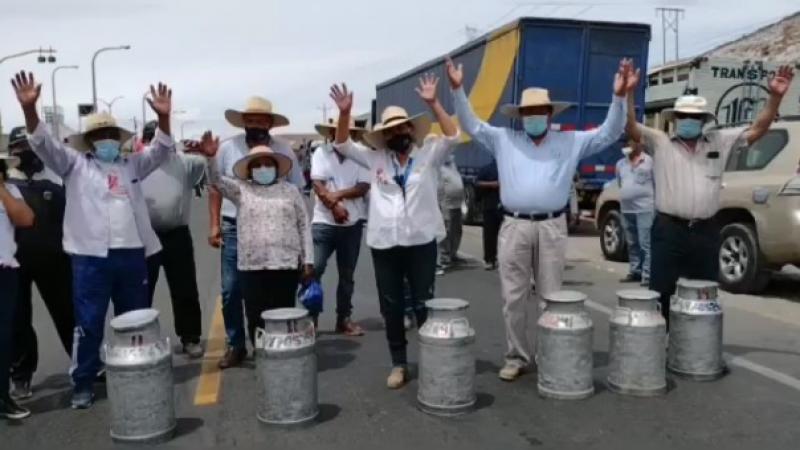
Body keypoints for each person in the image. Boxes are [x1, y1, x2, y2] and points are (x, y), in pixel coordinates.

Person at [449, 57, 632, 381]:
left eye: (539, 112)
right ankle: (516, 356)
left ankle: (550, 354)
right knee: (513, 297)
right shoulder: (504, 139)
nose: (534, 117)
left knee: (551, 296)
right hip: (514, 225)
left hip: (551, 226)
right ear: (521, 116)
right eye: (528, 112)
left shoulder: (569, 141)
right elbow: (472, 124)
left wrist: (619, 97)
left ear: (549, 114)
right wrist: (457, 89)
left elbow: (610, 133)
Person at [12, 71, 175, 408]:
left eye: (111, 135)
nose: (106, 141)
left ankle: (137, 373)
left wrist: (163, 117)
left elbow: (161, 150)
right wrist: (29, 109)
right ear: (89, 141)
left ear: (119, 139)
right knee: (88, 323)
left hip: (132, 255)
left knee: (136, 320)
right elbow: (43, 142)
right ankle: (83, 381)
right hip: (90, 258)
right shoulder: (73, 164)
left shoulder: (132, 165)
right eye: (100, 135)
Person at [625, 65, 795, 324]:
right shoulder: (660, 142)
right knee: (661, 291)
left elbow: (757, 130)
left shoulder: (719, 141)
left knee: (704, 293)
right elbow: (630, 127)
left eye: (694, 116)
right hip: (669, 230)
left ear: (703, 120)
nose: (688, 120)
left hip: (705, 231)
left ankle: (699, 345)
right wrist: (628, 94)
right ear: (675, 118)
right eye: (684, 115)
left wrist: (775, 97)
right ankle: (663, 338)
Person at [329, 72, 460, 389]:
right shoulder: (374, 158)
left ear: (411, 130)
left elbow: (453, 135)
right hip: (385, 243)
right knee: (392, 307)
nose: (397, 133)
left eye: (402, 128)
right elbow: (343, 144)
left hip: (421, 241)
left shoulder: (428, 154)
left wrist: (434, 103)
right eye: (390, 130)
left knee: (424, 303)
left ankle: (431, 360)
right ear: (384, 136)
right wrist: (345, 113)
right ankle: (399, 363)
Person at [207, 96, 305, 369]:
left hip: (276, 233)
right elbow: (215, 187)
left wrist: (299, 245)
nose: (256, 125)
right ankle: (236, 345)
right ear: (243, 123)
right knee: (231, 291)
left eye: (261, 121)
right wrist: (214, 224)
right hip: (234, 226)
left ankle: (275, 344)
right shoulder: (227, 149)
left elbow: (296, 191)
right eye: (250, 120)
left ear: (270, 124)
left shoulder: (284, 151)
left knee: (273, 291)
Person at [194, 134, 313, 347]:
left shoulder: (291, 191)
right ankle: (261, 354)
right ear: (249, 170)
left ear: (276, 167)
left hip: (285, 265)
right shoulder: (241, 190)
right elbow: (216, 181)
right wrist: (211, 158)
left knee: (282, 315)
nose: (263, 168)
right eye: (257, 165)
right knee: (256, 316)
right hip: (251, 266)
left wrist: (308, 260)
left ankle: (281, 355)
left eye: (268, 164)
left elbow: (304, 225)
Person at [5, 126, 74, 401]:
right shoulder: (6, 182)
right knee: (18, 320)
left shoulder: (56, 175)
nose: (25, 152)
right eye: (19, 148)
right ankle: (21, 376)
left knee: (68, 314)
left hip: (55, 258)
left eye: (29, 146)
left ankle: (85, 363)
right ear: (11, 152)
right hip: (15, 262)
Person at [141, 121, 206, 358]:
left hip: (177, 234)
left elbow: (209, 163)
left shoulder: (184, 162)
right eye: (153, 138)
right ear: (145, 141)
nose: (158, 145)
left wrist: (205, 151)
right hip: (145, 236)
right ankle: (141, 340)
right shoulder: (137, 163)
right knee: (141, 291)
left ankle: (190, 337)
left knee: (184, 288)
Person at [310, 118, 370, 335]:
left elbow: (363, 187)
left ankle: (343, 319)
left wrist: (336, 195)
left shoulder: (362, 154)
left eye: (348, 133)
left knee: (347, 275)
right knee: (314, 269)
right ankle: (311, 319)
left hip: (352, 223)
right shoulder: (321, 152)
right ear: (331, 133)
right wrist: (335, 205)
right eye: (339, 132)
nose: (343, 136)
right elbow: (318, 184)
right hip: (323, 222)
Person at [0, 150, 35, 420]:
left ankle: (3, 398)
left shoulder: (10, 191)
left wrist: (1, 189)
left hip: (5, 271)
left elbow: (26, 219)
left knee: (4, 337)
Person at [616, 140, 654, 286]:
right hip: (627, 209)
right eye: (627, 143)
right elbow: (620, 183)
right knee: (632, 243)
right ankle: (635, 271)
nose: (628, 146)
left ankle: (647, 275)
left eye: (631, 143)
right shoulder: (620, 164)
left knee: (645, 243)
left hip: (645, 209)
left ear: (639, 144)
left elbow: (656, 183)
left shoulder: (649, 162)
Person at [436, 153, 465, 275]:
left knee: (457, 230)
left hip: (457, 204)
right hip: (446, 204)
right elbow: (439, 187)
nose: (451, 155)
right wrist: (440, 203)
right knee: (446, 231)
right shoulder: (439, 167)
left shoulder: (452, 166)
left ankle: (453, 254)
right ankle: (444, 257)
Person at [476, 158, 501, 270]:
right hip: (490, 206)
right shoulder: (487, 169)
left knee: (505, 236)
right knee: (490, 234)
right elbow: (477, 183)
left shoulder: (509, 169)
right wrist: (492, 184)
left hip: (505, 208)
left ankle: (500, 259)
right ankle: (489, 259)